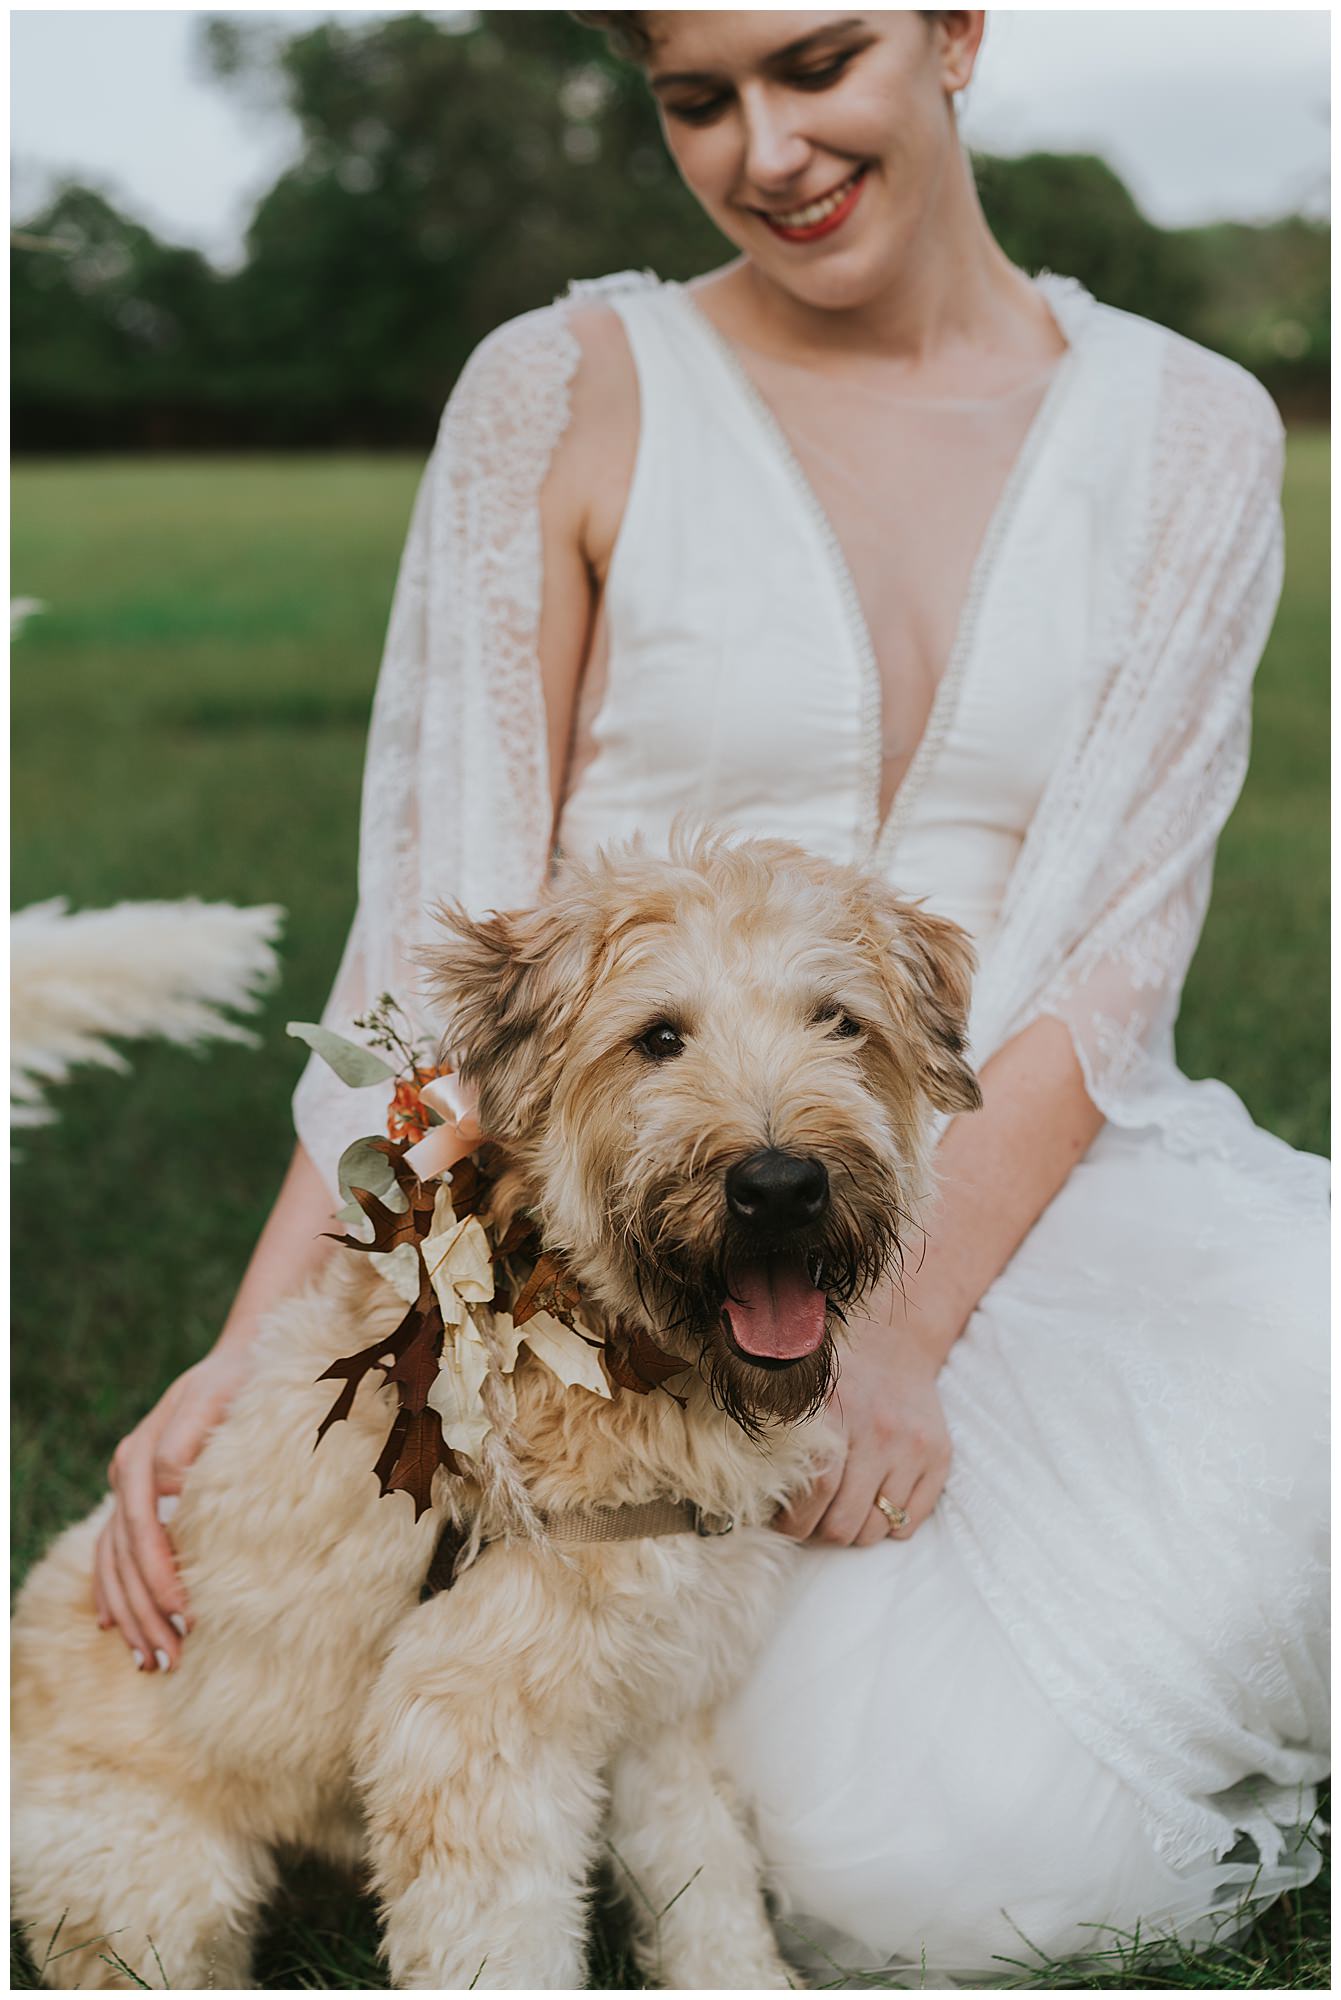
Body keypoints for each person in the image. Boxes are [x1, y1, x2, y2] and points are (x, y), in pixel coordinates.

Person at [92, 11, 1327, 1983]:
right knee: (903, 1843)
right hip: (632, 1240)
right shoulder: (564, 391)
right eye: (695, 98)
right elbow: (439, 935)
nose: (762, 147)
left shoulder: (1189, 432)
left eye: (815, 61)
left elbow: (1111, 953)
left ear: (949, 32)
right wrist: (262, 1357)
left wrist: (900, 1338)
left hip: (1045, 1185)